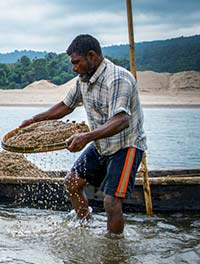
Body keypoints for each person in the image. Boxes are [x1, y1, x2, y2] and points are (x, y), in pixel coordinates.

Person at [20, 34, 147, 234]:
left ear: (92, 56)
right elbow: (65, 106)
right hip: (101, 144)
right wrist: (35, 120)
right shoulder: (83, 80)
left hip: (126, 145)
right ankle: (84, 226)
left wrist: (85, 137)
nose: (74, 68)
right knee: (71, 182)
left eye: (76, 62)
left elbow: (121, 120)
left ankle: (114, 251)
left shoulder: (117, 79)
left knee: (111, 201)